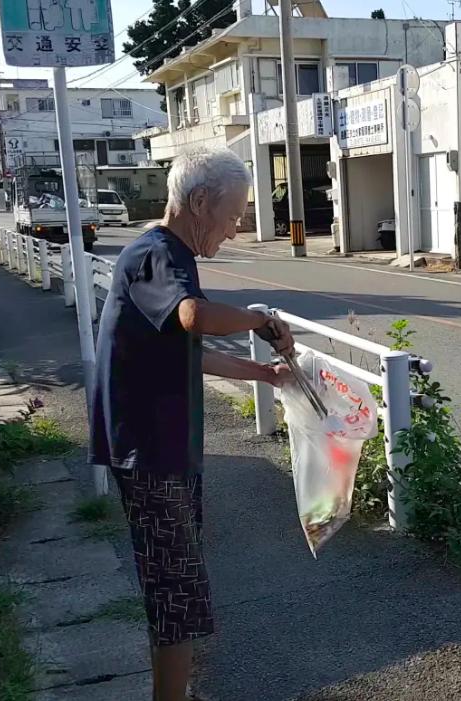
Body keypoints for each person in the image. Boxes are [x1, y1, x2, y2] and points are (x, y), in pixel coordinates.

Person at [89, 147, 295, 701]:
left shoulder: (166, 254)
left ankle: (176, 691)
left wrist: (262, 373)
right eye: (232, 216)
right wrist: (263, 320)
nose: (233, 230)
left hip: (162, 443)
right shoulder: (158, 252)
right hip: (150, 448)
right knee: (176, 586)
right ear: (200, 202)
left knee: (179, 577)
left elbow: (186, 348)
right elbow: (195, 317)